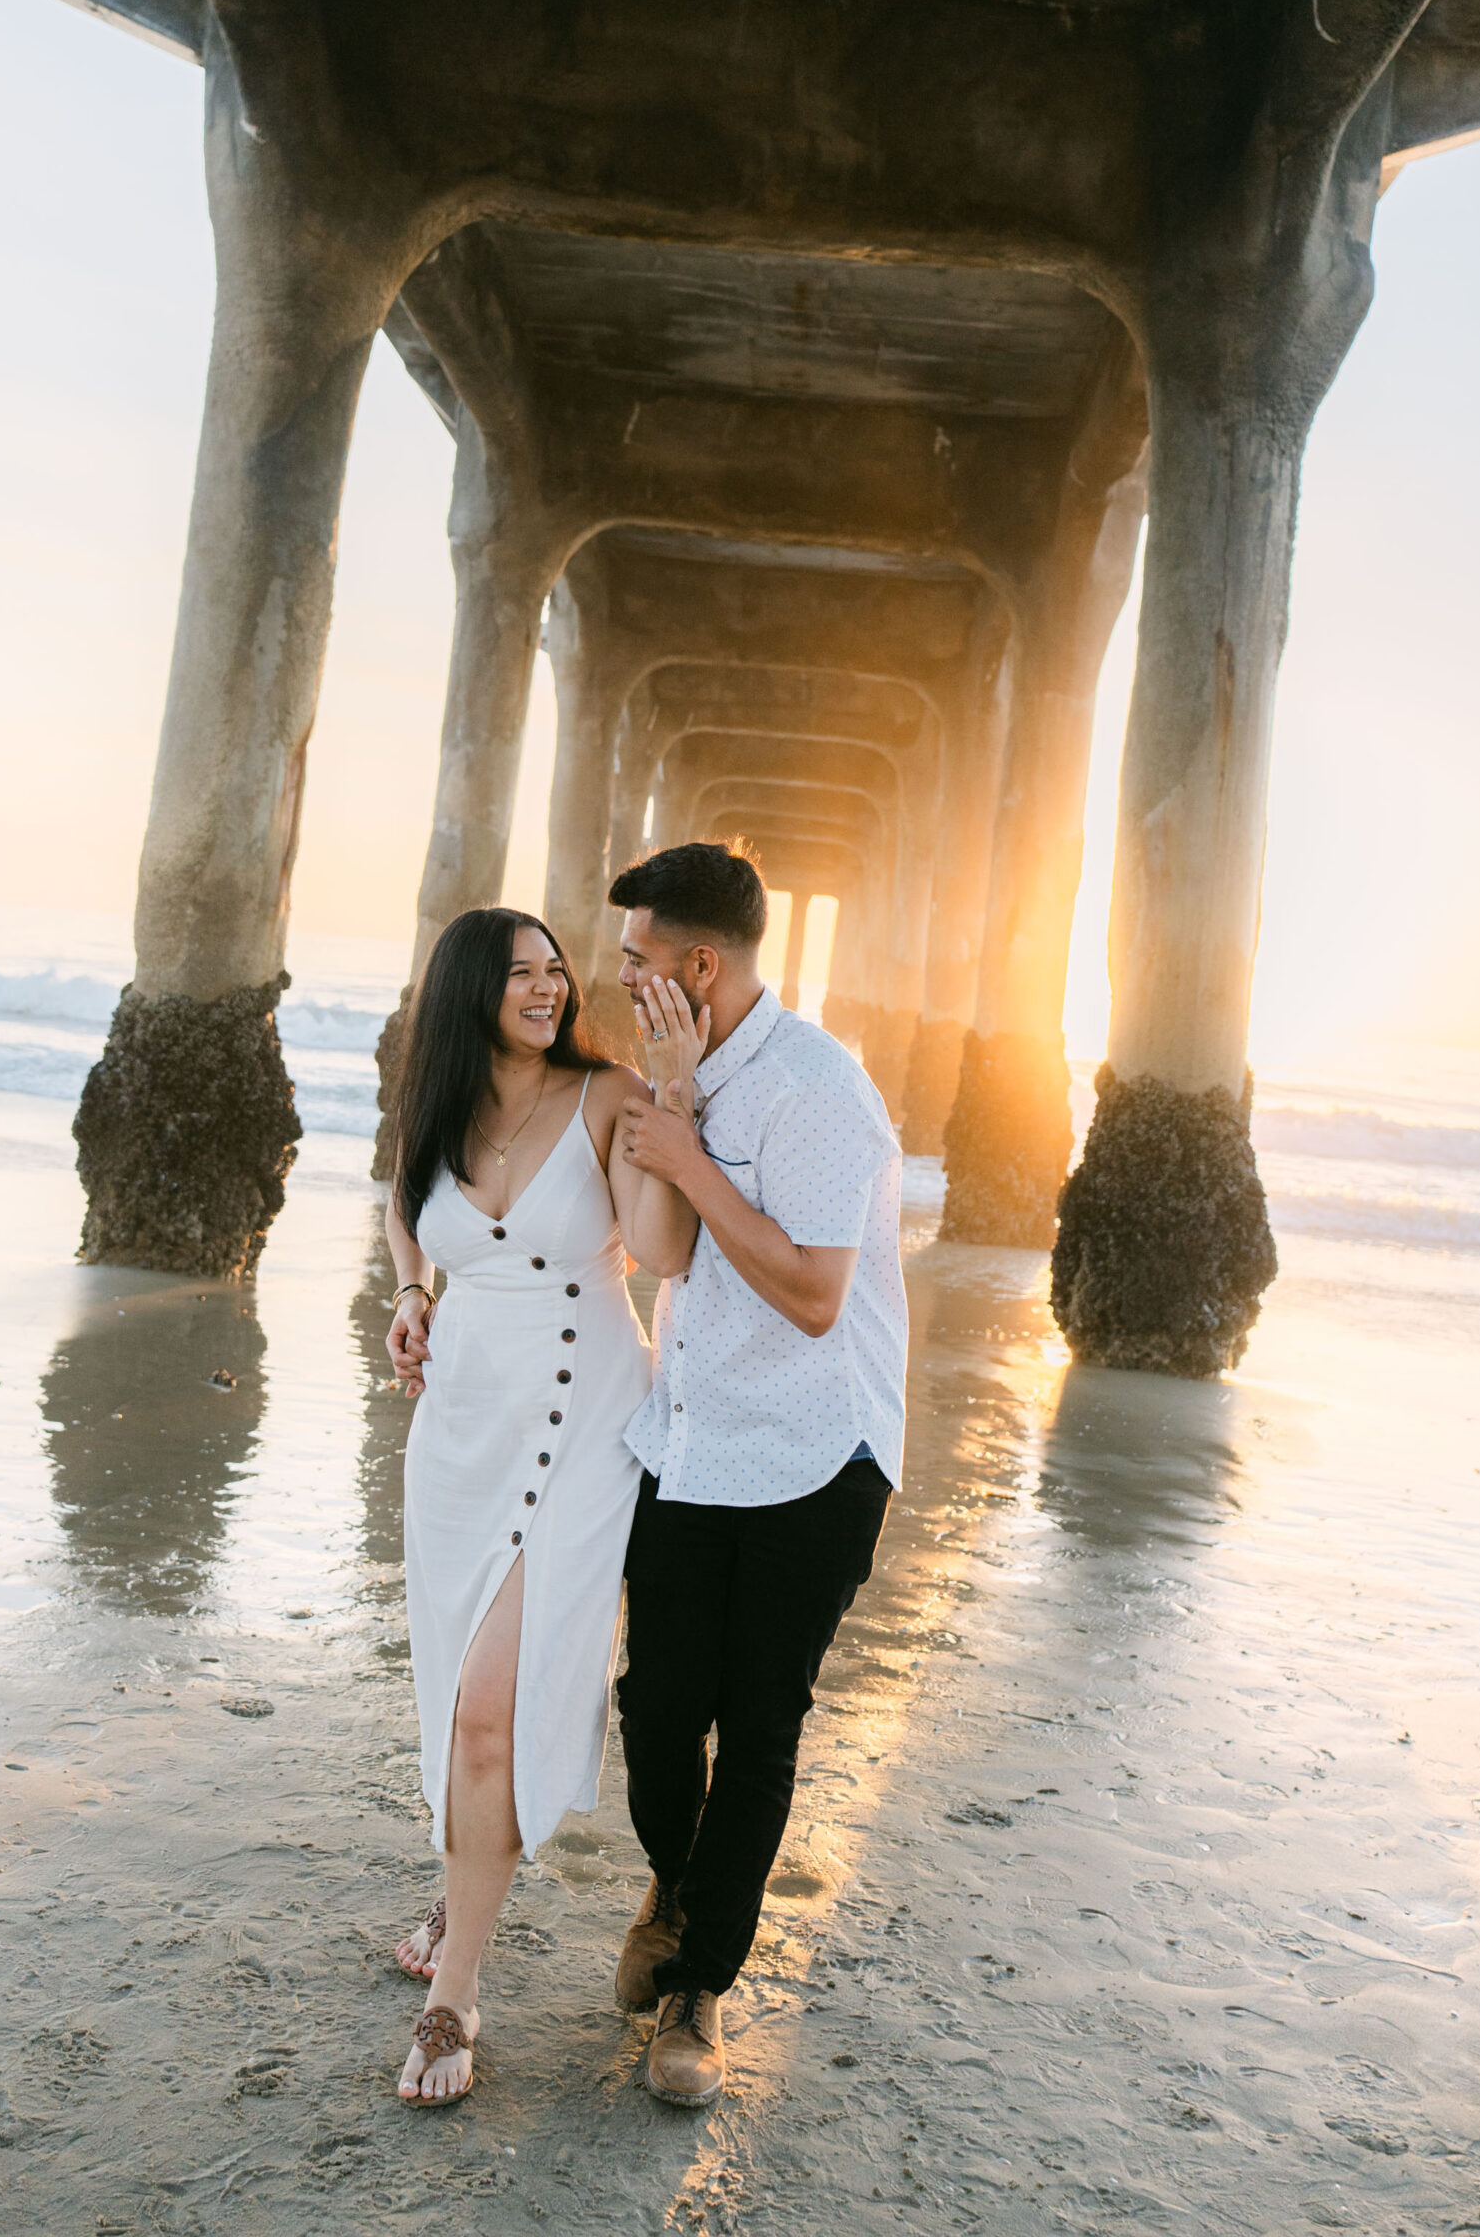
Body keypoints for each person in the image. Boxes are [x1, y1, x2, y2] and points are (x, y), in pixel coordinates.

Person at [382, 906, 699, 2106]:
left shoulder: (610, 1095)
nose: (548, 985)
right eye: (519, 972)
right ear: (470, 990)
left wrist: (670, 1102)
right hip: (460, 1428)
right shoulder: (440, 1107)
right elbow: (403, 1204)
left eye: (555, 969)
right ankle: (463, 1879)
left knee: (491, 1714)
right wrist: (412, 1294)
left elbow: (662, 1252)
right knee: (458, 1695)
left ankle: (454, 1990)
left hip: (576, 1427)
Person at [610, 840, 908, 2107]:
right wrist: (671, 1116)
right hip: (691, 1439)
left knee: (759, 1721)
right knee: (657, 1706)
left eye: (633, 961)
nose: (617, 977)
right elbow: (670, 1260)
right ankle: (674, 1891)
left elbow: (808, 1294)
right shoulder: (672, 1078)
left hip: (813, 1453)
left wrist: (687, 1157)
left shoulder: (818, 1090)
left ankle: (700, 1988)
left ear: (696, 964)